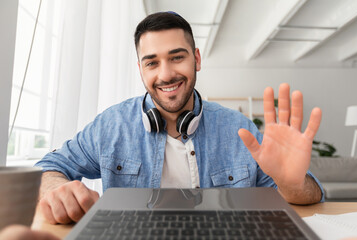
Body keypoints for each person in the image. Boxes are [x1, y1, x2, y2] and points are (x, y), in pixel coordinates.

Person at [35, 12, 324, 225]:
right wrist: (56, 190)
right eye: (152, 62)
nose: (165, 74)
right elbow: (48, 167)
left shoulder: (239, 129)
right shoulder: (111, 125)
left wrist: (292, 184)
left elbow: (308, 198)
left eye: (177, 57)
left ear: (196, 59)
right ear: (140, 68)